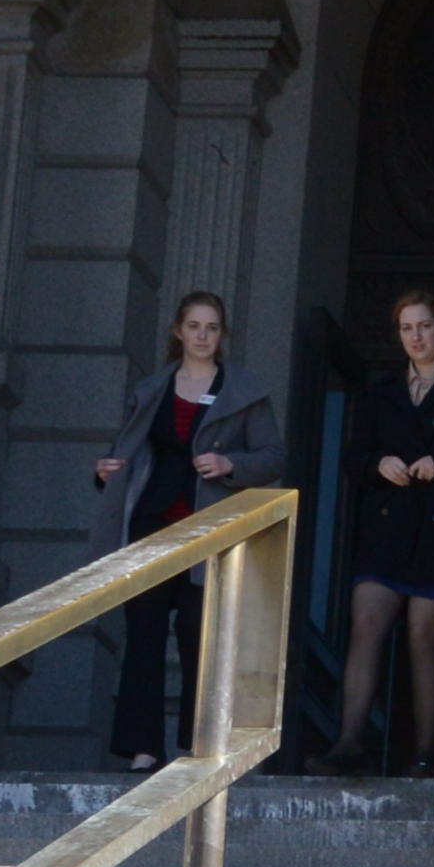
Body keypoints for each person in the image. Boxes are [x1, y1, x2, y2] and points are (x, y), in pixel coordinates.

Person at [323, 284, 434, 781]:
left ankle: (427, 754)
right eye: (406, 328)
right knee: (366, 625)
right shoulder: (383, 390)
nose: (415, 336)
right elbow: (352, 459)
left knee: (425, 637)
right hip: (389, 530)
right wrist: (379, 463)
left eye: (424, 326)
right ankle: (348, 744)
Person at [102, 290, 275, 770]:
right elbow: (128, 451)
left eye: (212, 328)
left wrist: (230, 463)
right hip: (153, 525)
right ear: (178, 331)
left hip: (210, 530)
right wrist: (106, 472)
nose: (202, 336)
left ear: (223, 336)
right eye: (194, 326)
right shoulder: (151, 388)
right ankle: (143, 749)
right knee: (144, 634)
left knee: (201, 633)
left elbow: (273, 457)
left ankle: (198, 745)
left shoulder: (245, 389)